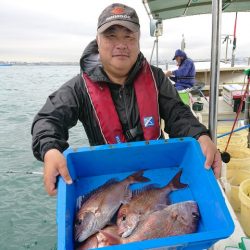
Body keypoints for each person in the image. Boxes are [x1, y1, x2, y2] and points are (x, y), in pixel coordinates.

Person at [31, 3, 221, 196]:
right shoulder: (79, 88)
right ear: (98, 41)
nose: (121, 44)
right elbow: (48, 119)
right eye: (111, 36)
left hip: (160, 170)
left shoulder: (156, 78)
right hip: (109, 177)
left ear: (138, 42)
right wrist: (50, 149)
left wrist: (201, 136)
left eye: (129, 36)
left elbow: (178, 114)